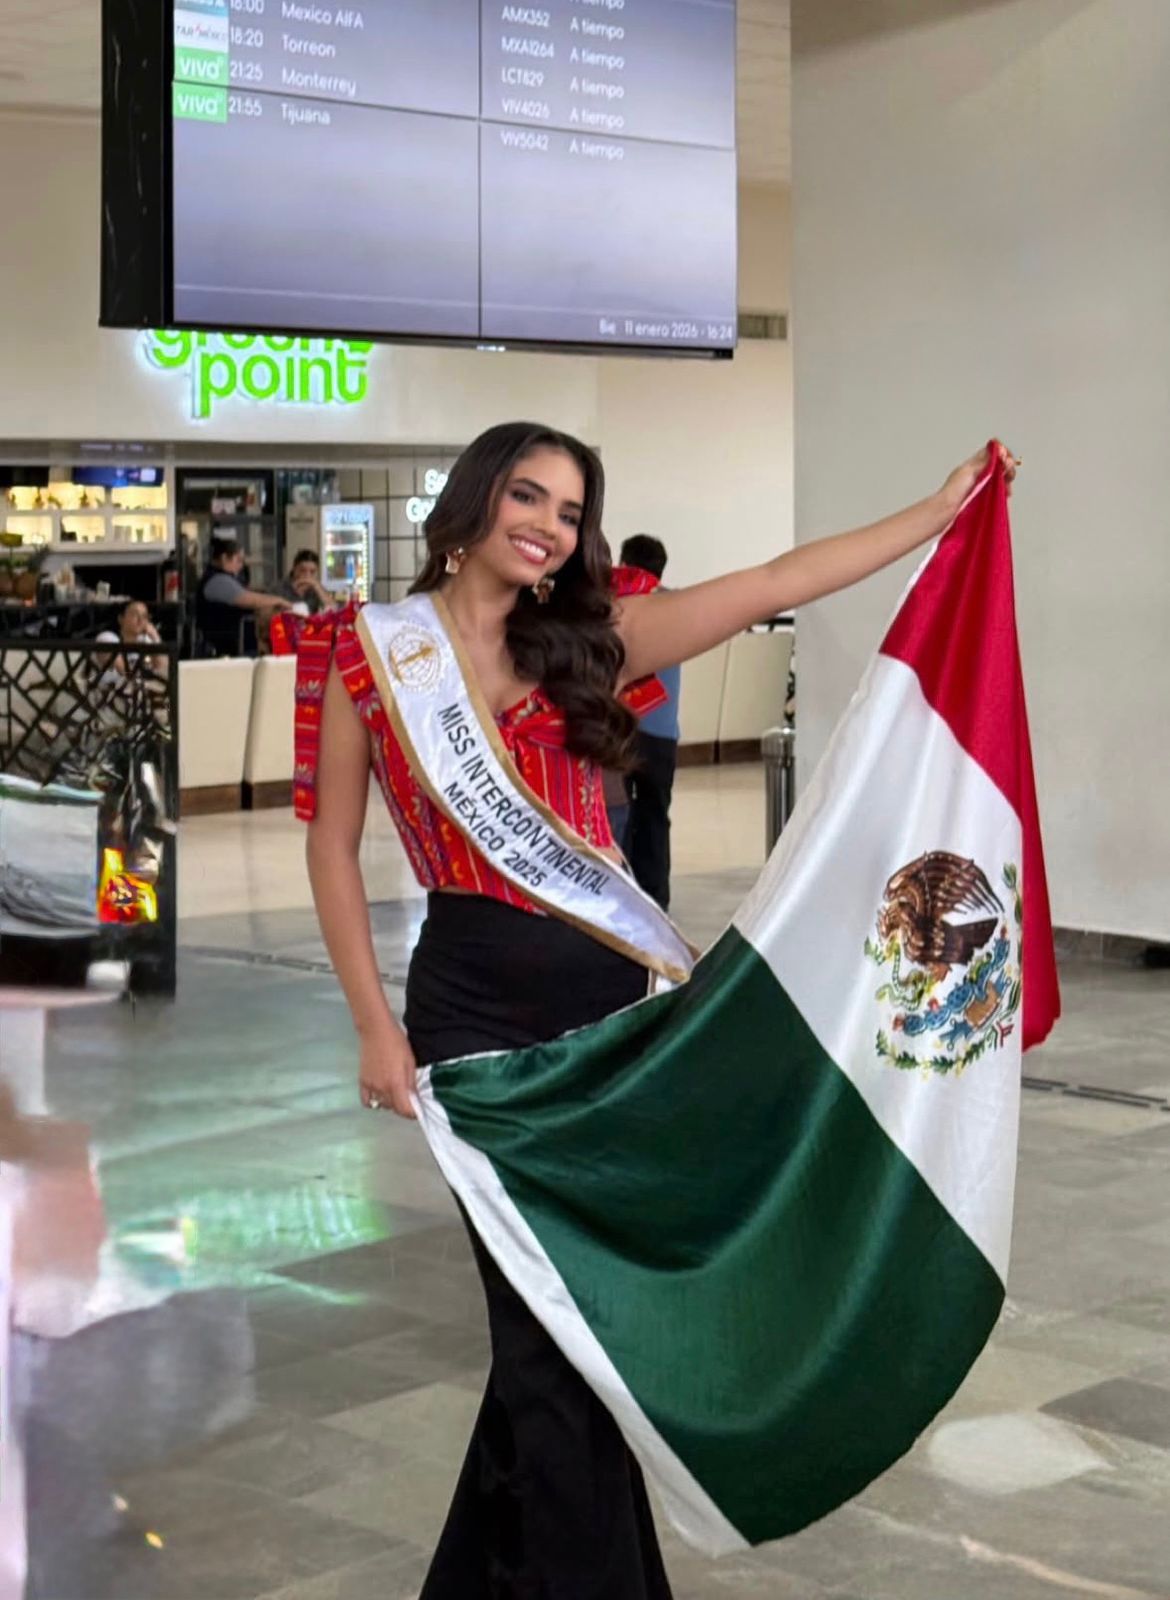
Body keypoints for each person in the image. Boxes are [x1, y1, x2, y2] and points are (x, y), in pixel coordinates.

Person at [302, 422, 1017, 1596]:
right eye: (527, 495)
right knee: (545, 1336)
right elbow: (332, 848)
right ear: (476, 498)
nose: (547, 524)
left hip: (603, 1009)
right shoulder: (369, 655)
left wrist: (935, 515)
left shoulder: (598, 636)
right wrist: (375, 1027)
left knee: (568, 1334)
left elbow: (772, 583)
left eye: (571, 510)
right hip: (467, 1011)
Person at [618, 534, 680, 910]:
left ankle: (621, 895)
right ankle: (656, 901)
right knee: (656, 816)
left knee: (617, 816)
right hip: (662, 735)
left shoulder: (620, 606)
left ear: (625, 564)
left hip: (619, 732)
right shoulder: (676, 606)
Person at [194, 538, 290, 657]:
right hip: (225, 647)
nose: (240, 566)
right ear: (224, 558)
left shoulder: (223, 578)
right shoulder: (218, 581)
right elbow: (250, 600)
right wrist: (279, 600)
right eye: (238, 560)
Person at [93, 599, 167, 684]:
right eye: (135, 614)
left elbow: (163, 668)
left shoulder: (145, 640)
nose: (140, 620)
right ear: (121, 619)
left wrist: (155, 637)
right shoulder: (107, 638)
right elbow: (124, 671)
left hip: (137, 692)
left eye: (144, 616)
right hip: (110, 692)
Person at [278, 548, 336, 615]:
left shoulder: (317, 589)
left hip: (310, 624)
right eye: (302, 570)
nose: (307, 575)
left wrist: (316, 586)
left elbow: (334, 610)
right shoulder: (279, 587)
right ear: (294, 569)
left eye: (312, 572)